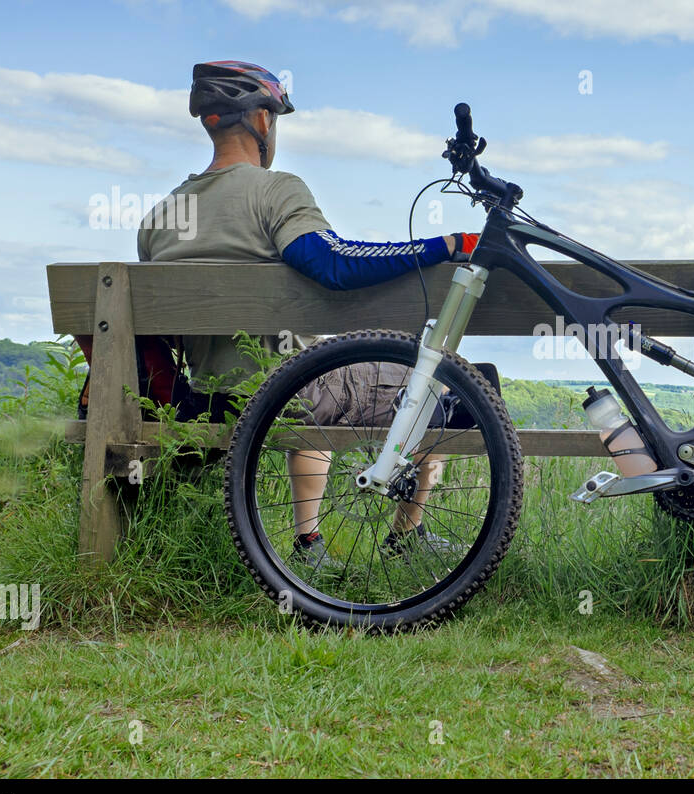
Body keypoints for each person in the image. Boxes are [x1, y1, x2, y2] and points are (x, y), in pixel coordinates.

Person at [138, 60, 477, 570]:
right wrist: (445, 243)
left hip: (207, 398)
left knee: (321, 372)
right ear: (261, 122)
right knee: (450, 385)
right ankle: (406, 539)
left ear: (207, 120)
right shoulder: (276, 191)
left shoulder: (159, 217)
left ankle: (309, 541)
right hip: (290, 393)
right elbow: (334, 265)